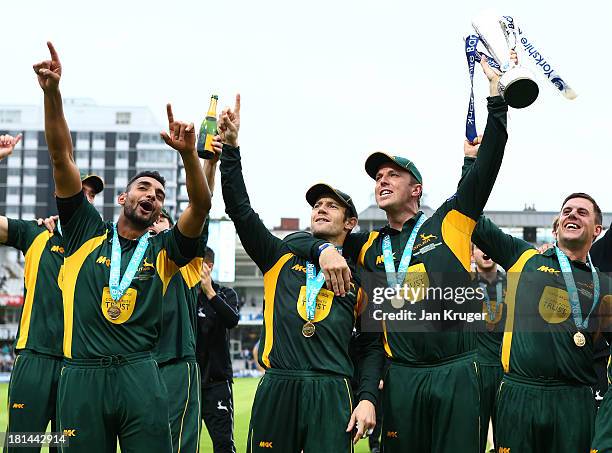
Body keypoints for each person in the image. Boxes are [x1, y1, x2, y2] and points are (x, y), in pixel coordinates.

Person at [286, 52, 512, 452]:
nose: (382, 180)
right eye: (378, 176)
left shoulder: (450, 222)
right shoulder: (370, 246)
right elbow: (298, 242)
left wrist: (497, 98)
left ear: (417, 190)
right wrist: (322, 249)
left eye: (393, 174)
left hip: (456, 371)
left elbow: (488, 166)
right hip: (401, 376)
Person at [34, 41, 211, 452]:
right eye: (143, 188)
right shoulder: (85, 233)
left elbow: (201, 206)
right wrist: (52, 93)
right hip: (82, 376)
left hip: (139, 375)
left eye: (160, 194)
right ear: (122, 198)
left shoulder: (164, 251)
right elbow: (61, 157)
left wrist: (188, 156)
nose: (152, 195)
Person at [218, 94, 384, 452]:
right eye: (317, 205)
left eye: (331, 205)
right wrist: (231, 149)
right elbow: (240, 210)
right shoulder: (280, 255)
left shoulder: (361, 277)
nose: (321, 209)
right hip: (279, 384)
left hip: (332, 389)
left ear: (350, 222)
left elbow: (370, 345)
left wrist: (367, 397)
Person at [0, 133, 104, 453]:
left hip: (79, 366)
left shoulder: (103, 244)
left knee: (68, 448)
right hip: (35, 358)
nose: (84, 198)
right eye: (78, 191)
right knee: (23, 446)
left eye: (90, 195)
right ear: (61, 194)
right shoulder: (34, 233)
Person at [196, 246, 240, 453]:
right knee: (179, 442)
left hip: (217, 383)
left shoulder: (225, 293)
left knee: (223, 445)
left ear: (208, 266)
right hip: (187, 383)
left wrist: (209, 292)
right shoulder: (183, 296)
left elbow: (232, 320)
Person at [472, 244, 506, 453]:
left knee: (506, 438)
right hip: (476, 370)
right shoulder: (462, 285)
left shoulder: (512, 282)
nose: (486, 251)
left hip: (506, 370)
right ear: (471, 253)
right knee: (474, 436)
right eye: (479, 247)